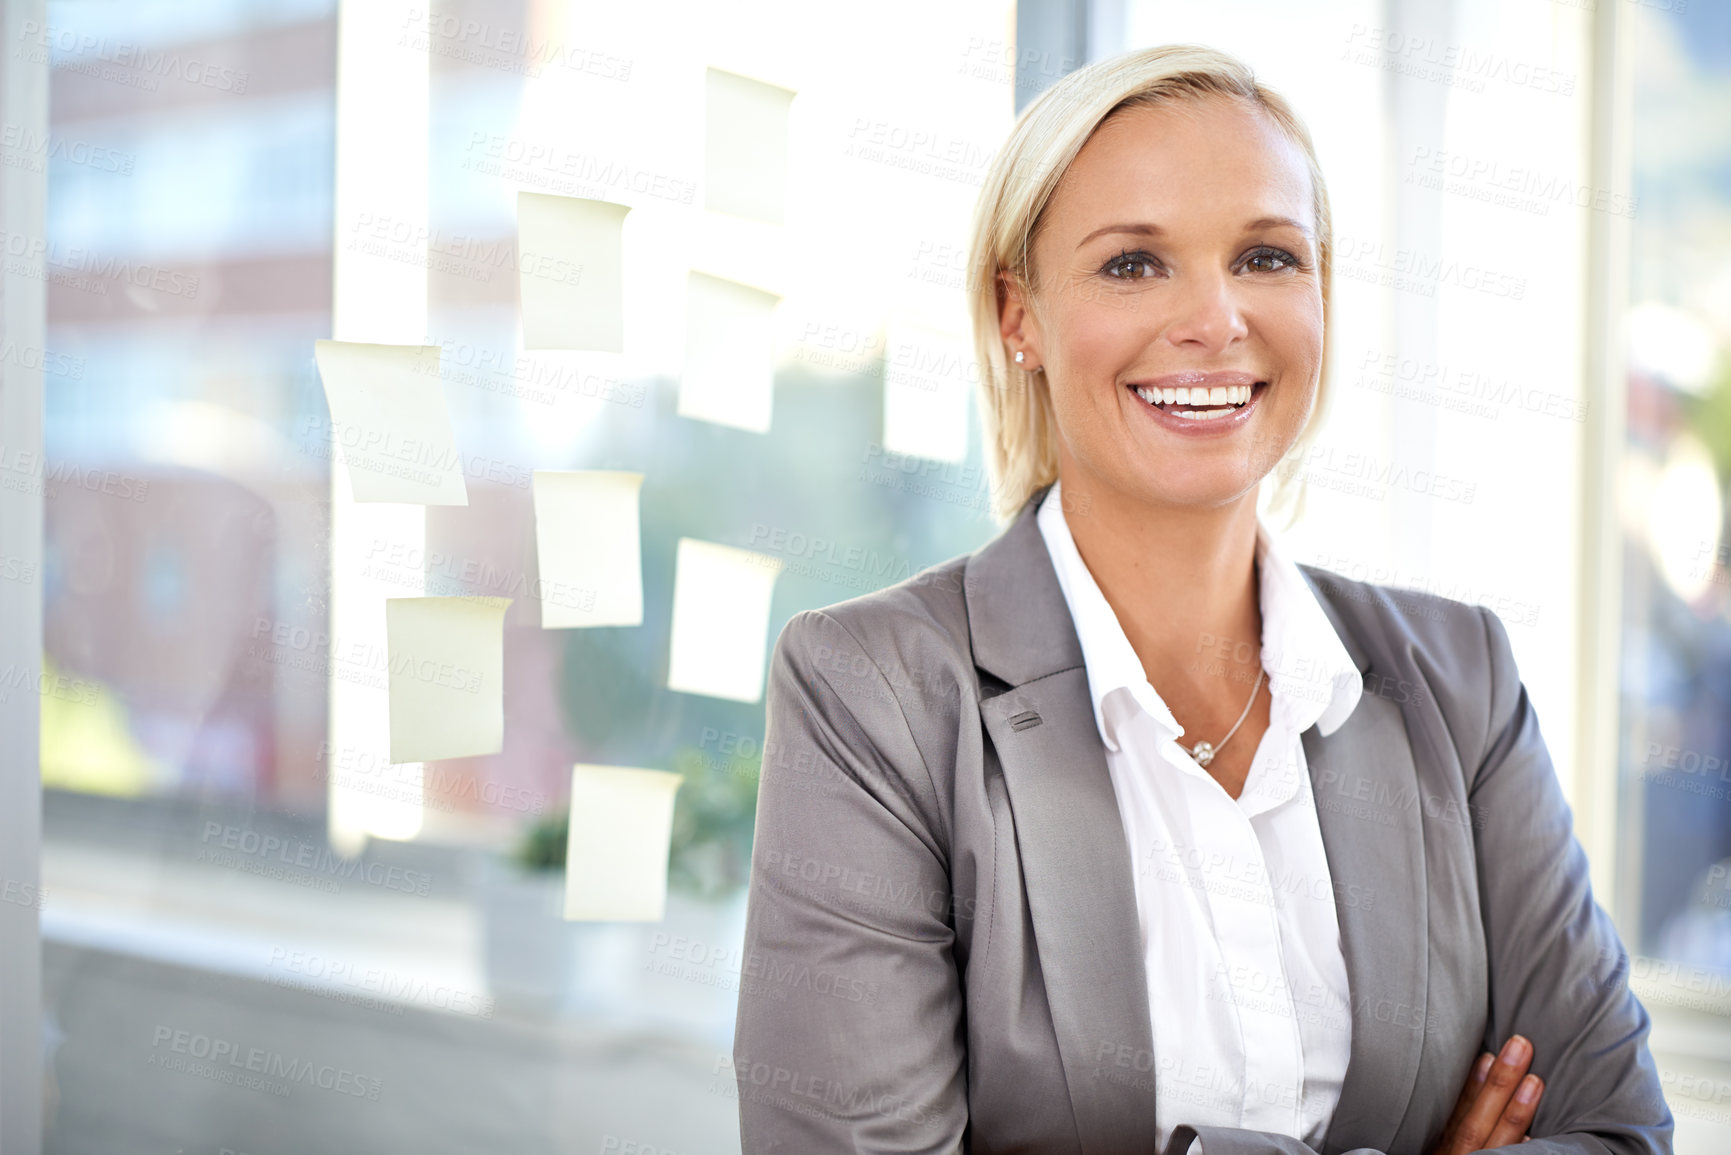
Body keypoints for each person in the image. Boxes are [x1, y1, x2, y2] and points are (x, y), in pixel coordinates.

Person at [731, 43, 1672, 1155]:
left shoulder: (1459, 680)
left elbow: (1617, 1131)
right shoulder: (874, 694)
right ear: (1017, 313)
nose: (1216, 318)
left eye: (1267, 257)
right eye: (1134, 265)